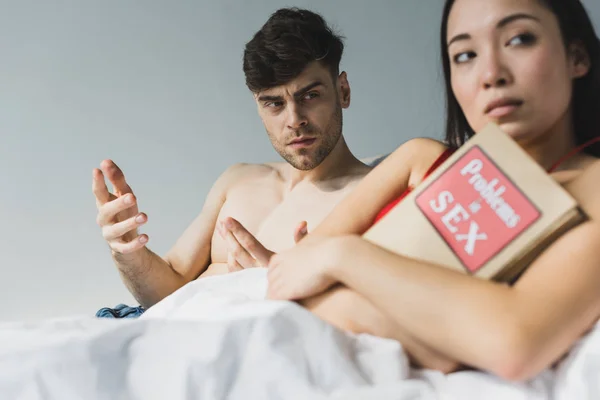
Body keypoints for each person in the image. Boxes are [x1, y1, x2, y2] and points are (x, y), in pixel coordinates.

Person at [267, 0, 600, 382]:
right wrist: (433, 337)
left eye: (520, 39)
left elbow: (513, 340)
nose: (490, 74)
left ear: (577, 56)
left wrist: (346, 255)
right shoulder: (430, 161)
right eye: (465, 55)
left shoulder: (592, 186)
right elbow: (295, 276)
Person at [92, 8, 371, 310]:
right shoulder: (239, 179)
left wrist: (284, 294)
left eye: (310, 96)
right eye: (274, 103)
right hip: (155, 326)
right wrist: (126, 251)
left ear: (342, 90)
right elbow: (165, 292)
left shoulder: (371, 194)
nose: (294, 120)